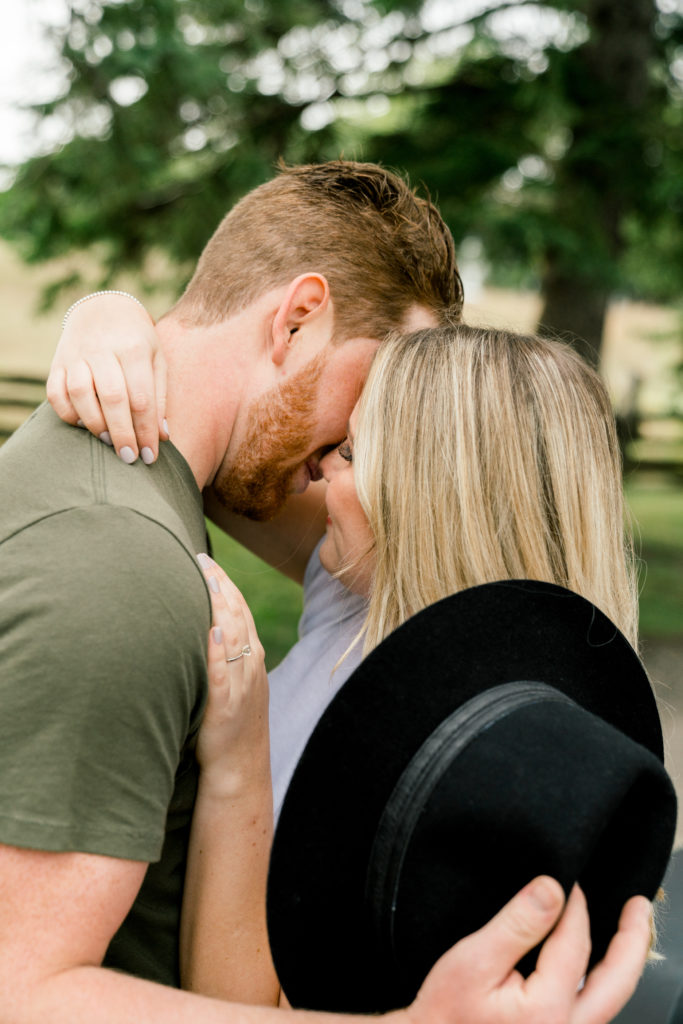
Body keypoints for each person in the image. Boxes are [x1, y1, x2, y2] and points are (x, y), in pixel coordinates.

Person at [0, 156, 647, 1024]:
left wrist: (236, 760)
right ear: (299, 316)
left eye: (368, 442)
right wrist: (107, 316)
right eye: (362, 409)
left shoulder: (447, 698)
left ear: (423, 493)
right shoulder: (321, 573)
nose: (332, 458)